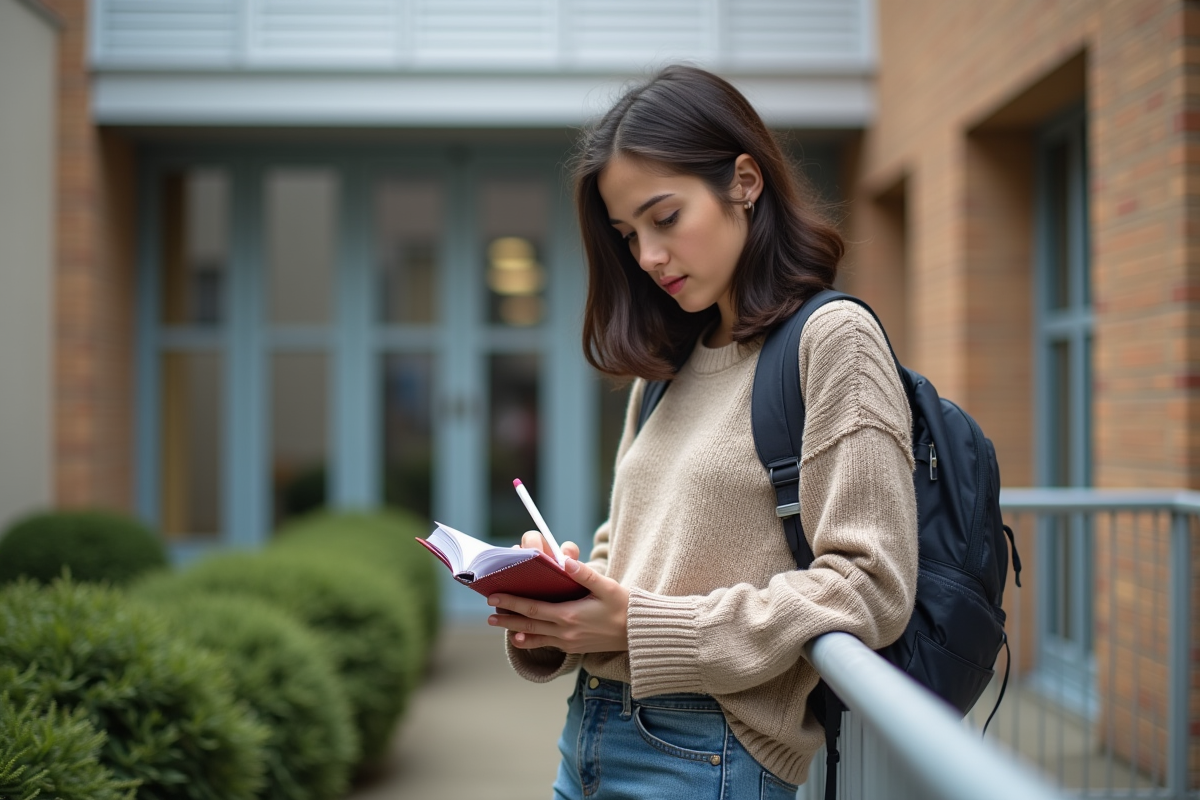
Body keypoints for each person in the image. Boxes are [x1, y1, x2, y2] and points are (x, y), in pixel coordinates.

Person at [485, 64, 919, 800]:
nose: (648, 257)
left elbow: (871, 586)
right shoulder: (666, 369)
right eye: (628, 235)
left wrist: (637, 625)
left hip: (708, 752)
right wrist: (563, 606)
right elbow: (625, 553)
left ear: (744, 182)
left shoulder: (832, 339)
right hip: (588, 732)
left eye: (664, 218)